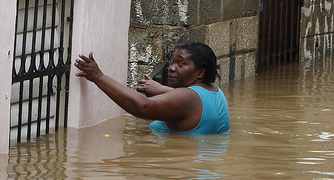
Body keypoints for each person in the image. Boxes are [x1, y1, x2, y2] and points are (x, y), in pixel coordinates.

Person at [74, 41, 230, 134]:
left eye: (181, 64)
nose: (172, 68)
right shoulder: (215, 91)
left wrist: (99, 77)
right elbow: (188, 100)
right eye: (172, 62)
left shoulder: (187, 98)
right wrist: (163, 89)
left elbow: (143, 107)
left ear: (200, 72)